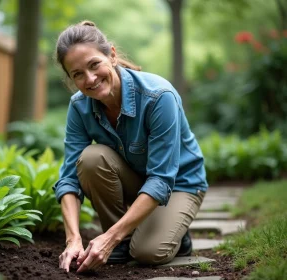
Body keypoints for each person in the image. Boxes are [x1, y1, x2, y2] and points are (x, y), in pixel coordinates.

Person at [53, 20, 208, 274]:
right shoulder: (79, 106)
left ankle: (170, 236)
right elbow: (69, 178)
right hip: (136, 179)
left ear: (111, 55)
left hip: (180, 183)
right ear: (71, 79)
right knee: (91, 158)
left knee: (148, 252)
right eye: (77, 74)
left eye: (94, 65)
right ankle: (121, 243)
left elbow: (160, 179)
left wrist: (107, 237)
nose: (90, 79)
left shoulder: (159, 97)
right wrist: (73, 239)